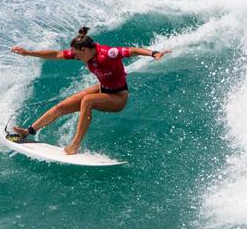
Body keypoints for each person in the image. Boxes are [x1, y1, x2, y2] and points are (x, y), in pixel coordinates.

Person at [10, 26, 171, 155]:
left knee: (87, 100)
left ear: (85, 50)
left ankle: (74, 146)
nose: (75, 57)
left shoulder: (108, 53)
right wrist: (28, 53)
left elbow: (132, 50)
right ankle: (27, 131)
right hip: (103, 89)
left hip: (118, 97)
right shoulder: (83, 53)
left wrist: (154, 53)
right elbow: (57, 54)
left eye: (77, 55)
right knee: (61, 107)